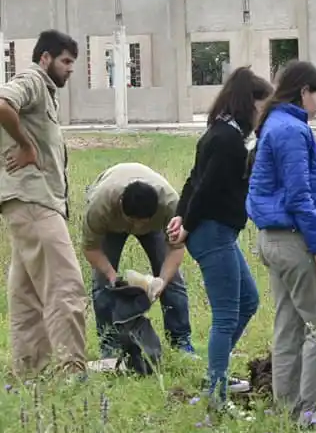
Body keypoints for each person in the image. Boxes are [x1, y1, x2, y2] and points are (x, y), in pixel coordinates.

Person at [246, 61, 316, 430]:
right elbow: (299, 195)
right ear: (303, 91)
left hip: (274, 240)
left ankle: (287, 409)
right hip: (296, 240)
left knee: (289, 325)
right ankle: (313, 413)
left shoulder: (274, 124)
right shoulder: (290, 130)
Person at [167, 67, 274, 406]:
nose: (264, 115)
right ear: (249, 103)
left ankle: (218, 372)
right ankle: (216, 394)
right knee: (227, 313)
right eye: (263, 107)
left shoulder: (219, 131)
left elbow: (192, 180)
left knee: (249, 301)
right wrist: (187, 222)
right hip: (212, 232)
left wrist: (180, 215)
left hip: (216, 230)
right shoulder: (228, 140)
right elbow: (207, 188)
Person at [0, 30, 86, 378]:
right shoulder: (33, 79)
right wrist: (25, 145)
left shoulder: (46, 93)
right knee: (66, 287)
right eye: (65, 61)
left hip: (26, 203)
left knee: (26, 297)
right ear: (45, 58)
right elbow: (3, 103)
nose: (70, 69)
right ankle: (73, 371)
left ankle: (28, 373)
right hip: (34, 202)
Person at [82, 162, 194, 357]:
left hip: (156, 226)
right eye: (132, 221)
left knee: (173, 281)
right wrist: (111, 274)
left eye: (143, 222)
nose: (137, 226)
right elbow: (90, 248)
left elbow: (176, 248)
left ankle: (181, 342)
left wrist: (162, 280)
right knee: (102, 284)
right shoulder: (100, 206)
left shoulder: (170, 204)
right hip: (112, 225)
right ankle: (109, 346)